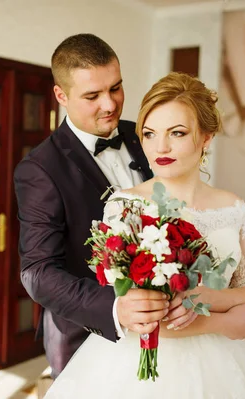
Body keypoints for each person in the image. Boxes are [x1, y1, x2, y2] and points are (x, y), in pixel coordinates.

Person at [44, 72, 245, 398]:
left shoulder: (233, 207)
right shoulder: (126, 207)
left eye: (177, 133)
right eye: (149, 134)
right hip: (135, 368)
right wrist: (220, 321)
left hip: (221, 364)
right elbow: (137, 318)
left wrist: (206, 298)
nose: (160, 147)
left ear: (206, 137)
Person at [14, 34, 196, 380]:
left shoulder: (145, 135)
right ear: (61, 96)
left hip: (167, 329)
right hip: (86, 333)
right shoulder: (39, 169)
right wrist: (115, 307)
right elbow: (37, 272)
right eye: (92, 95)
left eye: (116, 88)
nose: (110, 104)